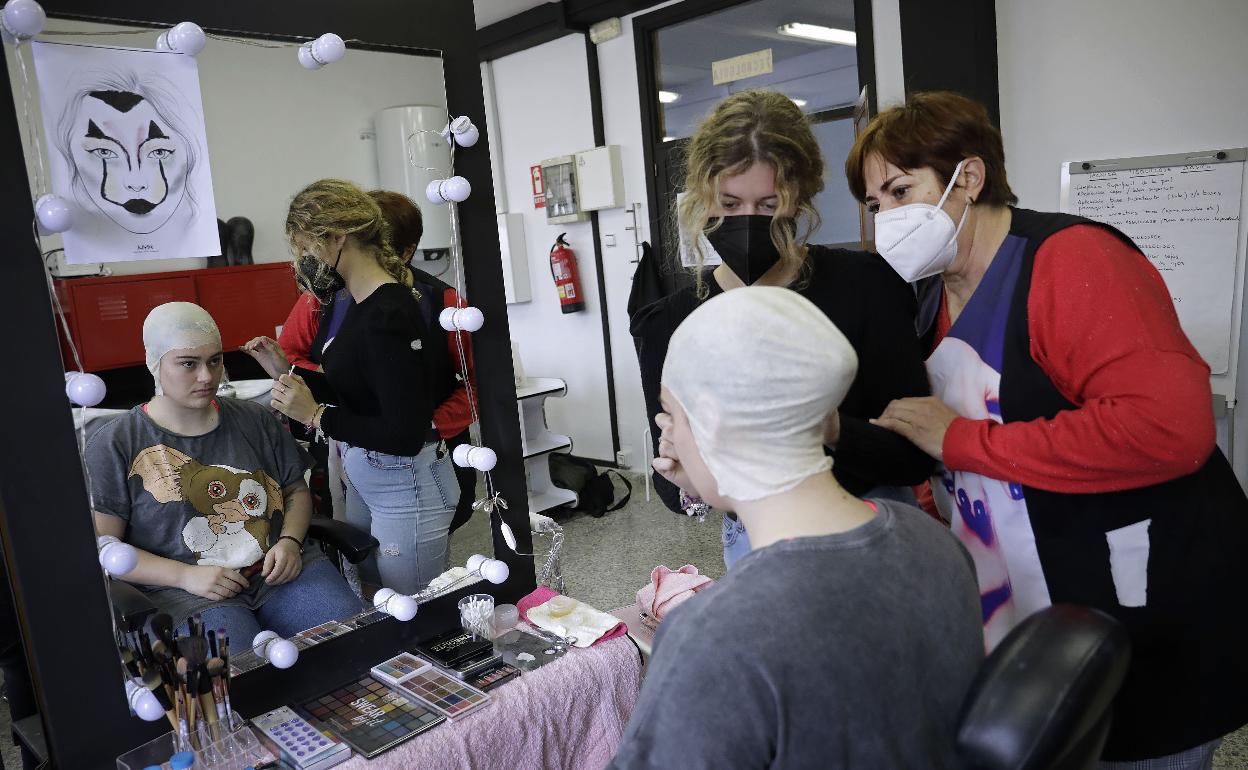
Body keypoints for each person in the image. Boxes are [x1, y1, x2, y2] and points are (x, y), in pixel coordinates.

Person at [849, 91, 1248, 767]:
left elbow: (1170, 430)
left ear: (968, 178)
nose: (887, 217)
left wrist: (963, 441)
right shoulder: (929, 298)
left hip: (1149, 607)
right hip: (1035, 613)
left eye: (900, 190)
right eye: (875, 203)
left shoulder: (1072, 260)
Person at [611, 287, 982, 769]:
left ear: (714, 421)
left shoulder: (713, 639)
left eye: (674, 414)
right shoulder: (934, 543)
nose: (670, 434)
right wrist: (716, 477)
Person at [631, 89, 934, 567]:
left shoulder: (866, 288)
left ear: (801, 199)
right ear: (701, 198)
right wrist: (687, 481)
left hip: (872, 522)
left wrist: (830, 428)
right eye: (727, 205)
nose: (747, 222)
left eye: (770, 204)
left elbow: (914, 455)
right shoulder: (671, 320)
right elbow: (674, 482)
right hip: (755, 541)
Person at [85, 302, 363, 642]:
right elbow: (106, 546)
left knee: (350, 639)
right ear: (153, 363)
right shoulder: (117, 443)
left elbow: (294, 491)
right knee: (238, 674)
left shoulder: (254, 419)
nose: (206, 376)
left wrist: (290, 541)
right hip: (187, 593)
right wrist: (186, 577)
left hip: (280, 571)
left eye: (215, 361)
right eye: (188, 363)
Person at [243, 179, 459, 595]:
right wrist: (287, 370)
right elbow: (363, 390)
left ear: (338, 238)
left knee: (411, 615)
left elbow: (404, 432)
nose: (303, 260)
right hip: (373, 480)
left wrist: (314, 415)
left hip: (406, 486)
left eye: (307, 248)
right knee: (379, 602)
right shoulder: (358, 303)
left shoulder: (390, 312)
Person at [277, 190, 477, 532]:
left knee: (410, 572)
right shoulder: (324, 300)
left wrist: (429, 425)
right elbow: (294, 355)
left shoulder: (440, 305)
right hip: (355, 452)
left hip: (419, 455)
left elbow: (475, 384)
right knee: (370, 569)